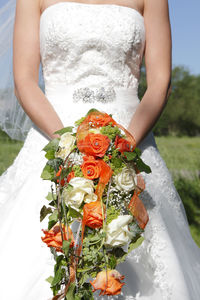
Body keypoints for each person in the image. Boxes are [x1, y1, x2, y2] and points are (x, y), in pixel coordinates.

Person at [0, 0, 200, 299]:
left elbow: (160, 82)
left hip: (132, 138)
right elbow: (25, 80)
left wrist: (123, 149)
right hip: (53, 134)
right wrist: (68, 146)